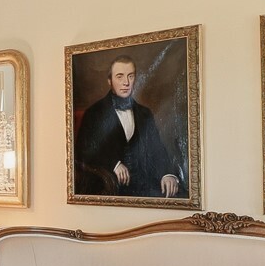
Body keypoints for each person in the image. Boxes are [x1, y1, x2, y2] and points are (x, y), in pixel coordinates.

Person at [74, 55, 183, 198]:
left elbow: (157, 149)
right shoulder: (94, 112)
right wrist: (113, 164)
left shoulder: (145, 113)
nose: (126, 82)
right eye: (120, 76)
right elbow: (83, 150)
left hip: (146, 184)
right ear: (109, 81)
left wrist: (168, 174)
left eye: (130, 76)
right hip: (112, 187)